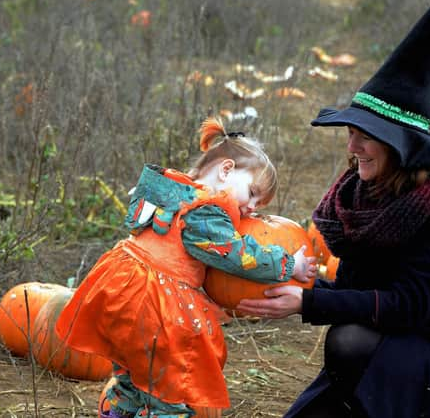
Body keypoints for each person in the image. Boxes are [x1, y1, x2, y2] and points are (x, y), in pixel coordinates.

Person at [236, 0, 430, 417]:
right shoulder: (365, 195)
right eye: (350, 132)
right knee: (345, 347)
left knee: (347, 339)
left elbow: (407, 305)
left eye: (366, 135)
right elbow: (353, 292)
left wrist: (307, 304)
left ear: (402, 146)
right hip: (392, 350)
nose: (353, 145)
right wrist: (277, 287)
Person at [55, 117, 317, 418]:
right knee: (168, 392)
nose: (254, 207)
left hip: (118, 287)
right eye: (254, 193)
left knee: (131, 379)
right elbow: (237, 254)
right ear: (227, 169)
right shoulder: (206, 210)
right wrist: (289, 265)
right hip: (152, 301)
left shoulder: (172, 191)